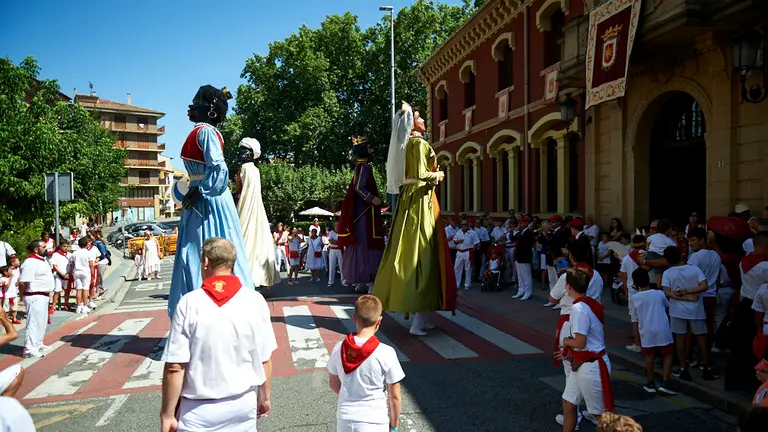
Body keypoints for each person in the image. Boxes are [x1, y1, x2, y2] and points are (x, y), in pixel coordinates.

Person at [161, 238, 275, 432]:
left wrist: (168, 414)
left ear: (205, 262)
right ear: (232, 263)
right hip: (242, 404)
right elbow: (265, 358)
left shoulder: (189, 303)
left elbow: (175, 366)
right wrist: (264, 397)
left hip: (199, 411)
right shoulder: (255, 300)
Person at [169, 84, 254, 318]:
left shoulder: (205, 132)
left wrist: (202, 189)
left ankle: (209, 313)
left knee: (202, 253)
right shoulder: (202, 131)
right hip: (203, 198)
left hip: (208, 200)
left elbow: (218, 166)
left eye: (196, 100)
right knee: (198, 254)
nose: (191, 105)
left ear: (210, 109)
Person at [373, 103, 457, 336]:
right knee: (424, 254)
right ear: (412, 124)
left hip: (412, 199)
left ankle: (425, 315)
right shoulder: (419, 144)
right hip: (421, 199)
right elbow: (421, 174)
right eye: (418, 117)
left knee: (418, 252)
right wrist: (438, 174)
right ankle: (418, 322)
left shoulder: (405, 146)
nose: (422, 119)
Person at [327, 295, 404, 432]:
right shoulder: (386, 352)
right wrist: (394, 425)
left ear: (354, 319)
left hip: (345, 418)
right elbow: (395, 396)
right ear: (379, 321)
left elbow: (333, 384)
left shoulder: (340, 347)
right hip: (375, 420)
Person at [558, 267, 614, 431]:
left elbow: (580, 342)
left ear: (568, 287)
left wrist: (565, 341)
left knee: (601, 417)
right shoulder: (590, 303)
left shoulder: (578, 308)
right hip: (585, 363)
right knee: (569, 403)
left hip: (592, 366)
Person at [337, 136, 386, 294]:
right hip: (366, 215)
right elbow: (359, 188)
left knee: (360, 246)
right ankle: (371, 281)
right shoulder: (365, 167)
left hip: (361, 214)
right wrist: (373, 199)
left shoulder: (358, 167)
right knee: (369, 245)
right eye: (369, 147)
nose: (371, 150)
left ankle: (361, 281)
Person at [660, 246, 715, 381]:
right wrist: (689, 293)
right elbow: (704, 286)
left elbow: (667, 292)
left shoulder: (668, 273)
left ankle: (683, 367)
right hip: (696, 309)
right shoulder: (694, 269)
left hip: (677, 310)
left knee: (680, 339)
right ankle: (706, 367)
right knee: (701, 338)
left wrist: (682, 295)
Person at [236, 138, 280, 288]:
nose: (241, 153)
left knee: (244, 240)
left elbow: (240, 192)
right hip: (256, 209)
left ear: (250, 154)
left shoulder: (245, 169)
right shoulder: (255, 170)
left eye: (244, 151)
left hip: (245, 209)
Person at [630, 268, 676, 395]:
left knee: (649, 356)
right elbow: (667, 305)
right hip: (662, 328)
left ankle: (650, 382)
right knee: (668, 354)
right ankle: (665, 382)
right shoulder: (659, 294)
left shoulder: (635, 297)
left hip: (646, 330)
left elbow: (635, 317)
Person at [687, 227, 722, 356]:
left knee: (692, 330)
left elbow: (689, 278)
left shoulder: (695, 257)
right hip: (711, 297)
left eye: (693, 240)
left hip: (698, 297)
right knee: (708, 329)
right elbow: (718, 278)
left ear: (702, 240)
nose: (690, 243)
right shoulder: (716, 255)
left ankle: (690, 357)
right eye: (689, 240)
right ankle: (705, 358)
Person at [18, 240, 54, 358]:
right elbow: (23, 282)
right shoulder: (30, 262)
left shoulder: (42, 260)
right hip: (34, 296)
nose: (46, 249)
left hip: (43, 295)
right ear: (36, 249)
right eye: (44, 247)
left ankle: (38, 344)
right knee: (33, 323)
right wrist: (22, 296)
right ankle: (29, 349)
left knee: (41, 322)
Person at [619, 235, 647, 353]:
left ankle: (638, 344)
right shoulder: (647, 256)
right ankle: (648, 344)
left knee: (635, 319)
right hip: (646, 290)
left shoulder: (626, 259)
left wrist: (625, 290)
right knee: (646, 318)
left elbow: (623, 277)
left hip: (633, 291)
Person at [453, 220, 478, 293]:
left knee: (468, 269)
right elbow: (454, 240)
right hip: (459, 251)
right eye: (462, 224)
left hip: (467, 251)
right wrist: (458, 241)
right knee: (457, 268)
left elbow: (476, 243)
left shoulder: (472, 233)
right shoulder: (458, 232)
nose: (463, 226)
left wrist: (473, 251)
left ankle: (467, 284)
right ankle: (457, 284)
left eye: (465, 224)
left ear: (467, 225)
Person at [70, 238, 94, 315]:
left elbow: (72, 264)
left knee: (78, 289)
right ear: (86, 244)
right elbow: (91, 265)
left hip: (77, 271)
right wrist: (93, 274)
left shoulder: (75, 253)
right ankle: (85, 306)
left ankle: (78, 306)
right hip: (85, 271)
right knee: (85, 289)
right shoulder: (88, 253)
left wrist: (72, 271)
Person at [513, 217, 534, 300]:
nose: (519, 225)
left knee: (526, 276)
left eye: (521, 223)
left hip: (525, 256)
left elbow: (521, 239)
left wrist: (517, 232)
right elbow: (513, 238)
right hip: (519, 256)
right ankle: (521, 290)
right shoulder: (521, 232)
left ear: (526, 224)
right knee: (520, 275)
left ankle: (528, 292)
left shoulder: (528, 232)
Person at [49, 239, 70, 312]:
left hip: (67, 275)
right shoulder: (56, 255)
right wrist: (61, 273)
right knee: (57, 290)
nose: (66, 248)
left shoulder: (70, 255)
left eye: (67, 246)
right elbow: (54, 265)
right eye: (64, 246)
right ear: (60, 246)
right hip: (59, 275)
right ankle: (53, 306)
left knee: (67, 291)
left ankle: (66, 304)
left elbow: (71, 265)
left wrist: (68, 273)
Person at [327, 223, 347, 287]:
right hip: (332, 250)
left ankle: (343, 281)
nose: (337, 226)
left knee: (342, 266)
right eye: (336, 225)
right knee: (332, 266)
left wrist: (336, 241)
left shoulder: (341, 232)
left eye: (338, 225)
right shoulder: (331, 232)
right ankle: (330, 281)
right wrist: (339, 241)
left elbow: (343, 241)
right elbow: (330, 241)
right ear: (334, 226)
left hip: (340, 250)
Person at [3, 258, 20, 324]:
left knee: (14, 307)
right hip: (8, 295)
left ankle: (14, 318)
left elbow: (16, 284)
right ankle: (6, 320)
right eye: (17, 260)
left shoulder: (17, 270)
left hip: (15, 293)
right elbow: (7, 285)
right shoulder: (5, 277)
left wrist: (18, 280)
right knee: (6, 308)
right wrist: (11, 277)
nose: (19, 261)